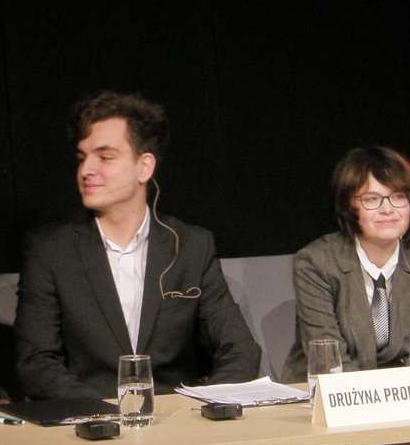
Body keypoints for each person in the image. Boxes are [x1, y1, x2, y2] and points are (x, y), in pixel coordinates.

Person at [15, 91, 261, 399]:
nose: (86, 170)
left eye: (105, 157)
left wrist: (202, 408)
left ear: (144, 167)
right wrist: (106, 413)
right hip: (90, 419)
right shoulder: (51, 250)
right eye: (81, 158)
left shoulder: (191, 246)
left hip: (176, 418)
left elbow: (240, 350)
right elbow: (36, 363)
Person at [281, 146, 410, 382]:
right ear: (348, 206)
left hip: (401, 391)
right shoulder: (315, 263)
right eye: (372, 199)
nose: (388, 209)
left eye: (398, 197)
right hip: (323, 391)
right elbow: (330, 362)